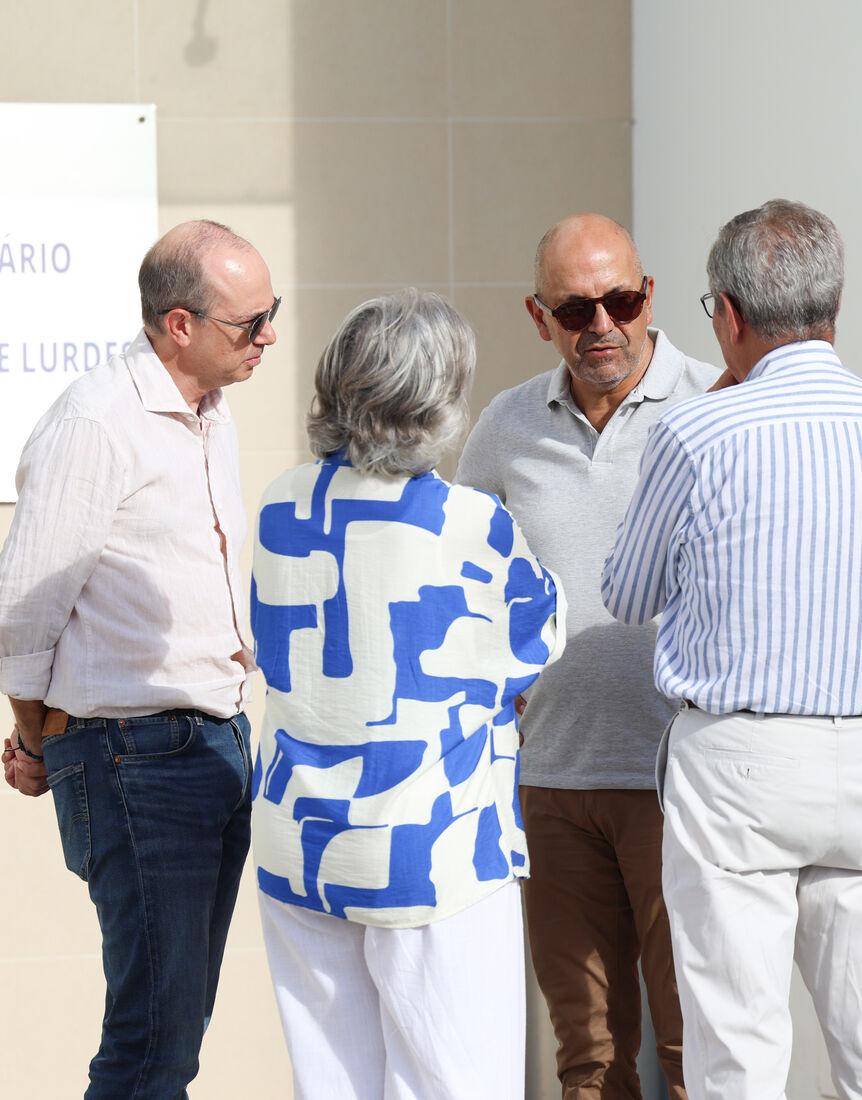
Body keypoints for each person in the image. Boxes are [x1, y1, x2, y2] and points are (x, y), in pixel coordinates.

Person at [601, 199, 862, 1100]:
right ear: (834, 308)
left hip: (742, 761)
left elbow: (627, 595)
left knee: (739, 1061)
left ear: (728, 316)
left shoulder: (696, 431)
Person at [250, 287, 565, 1100]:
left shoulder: (282, 503)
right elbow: (537, 633)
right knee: (456, 1082)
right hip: (431, 851)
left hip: (304, 843)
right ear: (434, 403)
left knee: (333, 1082)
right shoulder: (467, 522)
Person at [0, 219, 277, 1098]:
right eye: (250, 323)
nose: (268, 336)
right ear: (179, 325)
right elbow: (25, 609)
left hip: (216, 744)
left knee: (175, 1036)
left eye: (272, 313)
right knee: (152, 1044)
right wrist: (37, 738)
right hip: (134, 758)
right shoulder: (95, 423)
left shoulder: (211, 412)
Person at [456, 213, 717, 1099]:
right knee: (591, 1059)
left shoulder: (717, 406)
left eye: (621, 298)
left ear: (651, 296)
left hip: (686, 782)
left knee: (697, 1054)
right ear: (540, 317)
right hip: (556, 786)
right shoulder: (505, 426)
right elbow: (462, 578)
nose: (601, 323)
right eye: (576, 307)